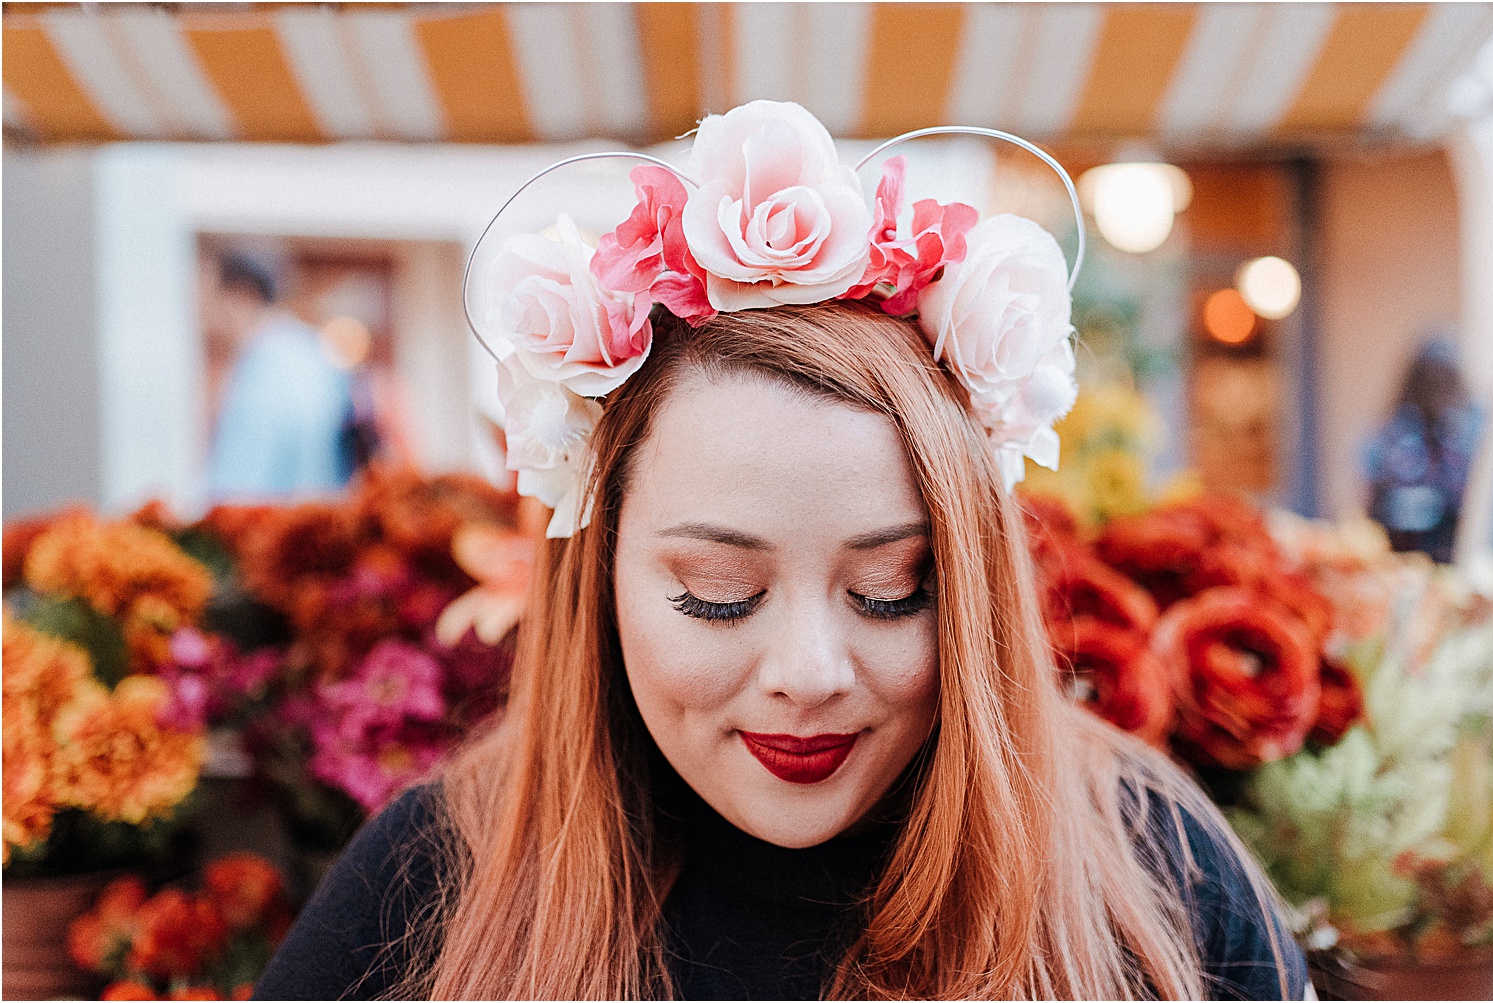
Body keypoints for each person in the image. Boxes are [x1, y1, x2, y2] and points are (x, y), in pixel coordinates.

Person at [254, 101, 1305, 1000]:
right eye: (718, 594)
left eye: (896, 589)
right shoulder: (430, 884)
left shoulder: (1152, 863)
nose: (809, 675)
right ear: (598, 574)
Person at [205, 251, 357, 499]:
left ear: (242, 296)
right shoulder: (315, 353)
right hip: (318, 517)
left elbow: (238, 484)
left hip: (270, 524)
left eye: (212, 299)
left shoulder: (260, 369)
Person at [1365, 338, 1484, 563]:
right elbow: (1370, 500)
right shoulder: (1393, 432)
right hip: (1394, 561)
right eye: (1429, 380)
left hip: (1449, 562)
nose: (1436, 390)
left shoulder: (1465, 432)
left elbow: (1472, 506)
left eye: (1443, 380)